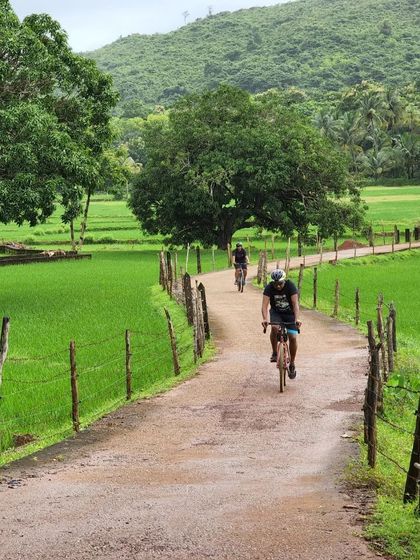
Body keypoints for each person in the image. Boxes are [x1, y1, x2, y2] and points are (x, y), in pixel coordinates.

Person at [261, 268, 301, 379]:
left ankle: (292, 363)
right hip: (276, 313)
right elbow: (264, 305)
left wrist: (297, 319)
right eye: (275, 284)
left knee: (292, 337)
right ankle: (274, 352)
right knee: (274, 328)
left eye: (280, 284)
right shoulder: (269, 288)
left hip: (290, 314)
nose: (278, 286)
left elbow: (295, 304)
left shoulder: (290, 286)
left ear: (284, 281)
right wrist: (265, 319)